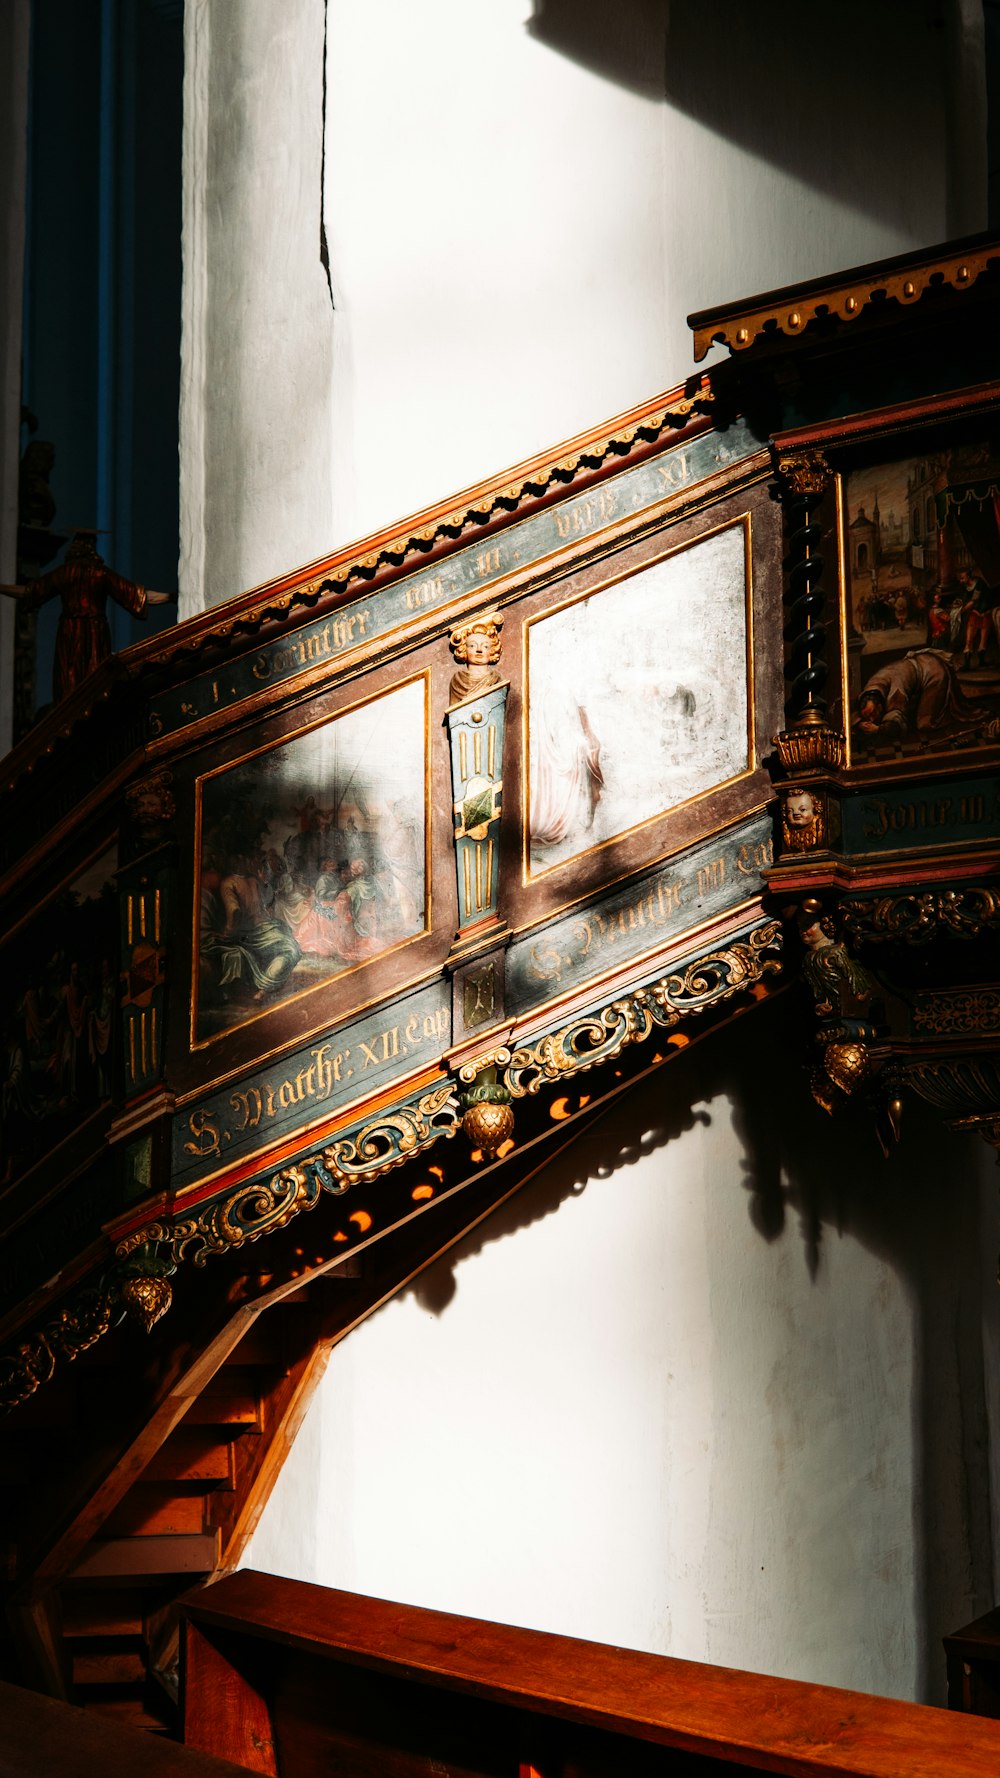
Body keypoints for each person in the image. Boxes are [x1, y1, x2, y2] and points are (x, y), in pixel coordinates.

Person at [0, 531, 171, 702]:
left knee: (69, 682)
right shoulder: (100, 573)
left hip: (69, 634)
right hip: (96, 632)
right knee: (95, 682)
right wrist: (170, 597)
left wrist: (2, 588)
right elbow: (138, 596)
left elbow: (29, 592)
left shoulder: (65, 573)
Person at [855, 649, 984, 740]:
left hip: (933, 672)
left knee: (925, 724)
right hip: (920, 665)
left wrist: (878, 729)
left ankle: (948, 712)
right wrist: (860, 723)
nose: (871, 719)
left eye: (872, 714)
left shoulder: (896, 692)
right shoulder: (872, 687)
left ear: (879, 706)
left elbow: (897, 726)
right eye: (868, 716)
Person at [957, 567, 992, 668]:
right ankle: (967, 664)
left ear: (968, 576)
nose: (961, 580)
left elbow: (974, 600)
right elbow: (964, 599)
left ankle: (981, 662)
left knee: (983, 638)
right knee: (969, 638)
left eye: (962, 578)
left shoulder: (979, 583)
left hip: (985, 612)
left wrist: (961, 610)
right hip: (974, 613)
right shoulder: (965, 586)